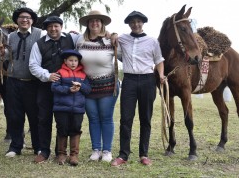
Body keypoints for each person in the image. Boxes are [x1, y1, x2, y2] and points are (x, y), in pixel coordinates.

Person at [111, 11, 165, 166]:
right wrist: (113, 34)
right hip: (129, 80)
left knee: (145, 118)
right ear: (129, 24)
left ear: (143, 23)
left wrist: (160, 75)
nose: (136, 24)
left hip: (148, 80)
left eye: (138, 21)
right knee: (126, 119)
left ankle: (144, 154)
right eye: (132, 22)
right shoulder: (122, 39)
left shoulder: (152, 41)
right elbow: (111, 38)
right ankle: (123, 155)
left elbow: (159, 60)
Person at [29, 16, 79, 163]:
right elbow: (33, 65)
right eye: (50, 26)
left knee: (62, 120)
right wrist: (47, 75)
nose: (53, 29)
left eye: (56, 26)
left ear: (61, 26)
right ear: (46, 29)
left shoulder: (71, 38)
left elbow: (88, 36)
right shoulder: (39, 44)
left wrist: (109, 34)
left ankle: (60, 152)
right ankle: (44, 151)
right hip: (45, 86)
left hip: (65, 87)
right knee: (44, 118)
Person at [77, 10, 119, 162]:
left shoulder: (110, 41)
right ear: (87, 24)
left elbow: (122, 56)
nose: (95, 23)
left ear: (102, 24)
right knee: (93, 118)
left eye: (98, 21)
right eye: (91, 21)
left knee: (106, 117)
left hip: (108, 84)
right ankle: (96, 150)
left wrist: (115, 35)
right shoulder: (80, 40)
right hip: (87, 85)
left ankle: (107, 151)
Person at [4, 7, 42, 158]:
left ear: (32, 20)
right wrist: (2, 54)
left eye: (28, 17)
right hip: (13, 81)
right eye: (21, 17)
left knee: (35, 116)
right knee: (14, 115)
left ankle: (38, 147)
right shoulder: (10, 36)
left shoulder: (40, 34)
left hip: (33, 82)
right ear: (17, 20)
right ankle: (15, 146)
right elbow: (7, 56)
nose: (24, 20)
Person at [51, 49, 91, 166]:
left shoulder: (83, 75)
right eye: (70, 60)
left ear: (78, 62)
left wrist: (81, 86)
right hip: (61, 108)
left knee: (76, 129)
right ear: (65, 61)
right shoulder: (59, 73)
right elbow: (54, 87)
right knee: (62, 129)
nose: (73, 63)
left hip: (78, 109)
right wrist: (68, 89)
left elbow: (88, 89)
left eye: (75, 61)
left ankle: (74, 155)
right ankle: (61, 154)